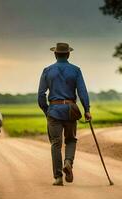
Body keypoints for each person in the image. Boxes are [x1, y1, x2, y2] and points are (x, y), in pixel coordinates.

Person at [38, 43, 91, 186]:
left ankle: (58, 177)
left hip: (54, 111)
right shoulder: (76, 70)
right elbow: (82, 92)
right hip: (70, 110)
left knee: (56, 143)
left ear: (55, 54)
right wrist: (87, 110)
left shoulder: (47, 71)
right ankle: (68, 162)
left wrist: (46, 110)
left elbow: (41, 95)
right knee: (71, 140)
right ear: (68, 54)